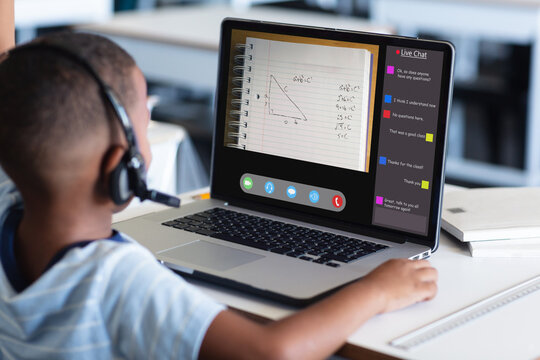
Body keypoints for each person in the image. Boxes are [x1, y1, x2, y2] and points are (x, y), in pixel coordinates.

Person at [0, 30, 438, 359]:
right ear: (122, 166)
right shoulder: (115, 279)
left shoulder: (7, 208)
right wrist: (377, 291)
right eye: (145, 126)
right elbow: (270, 352)